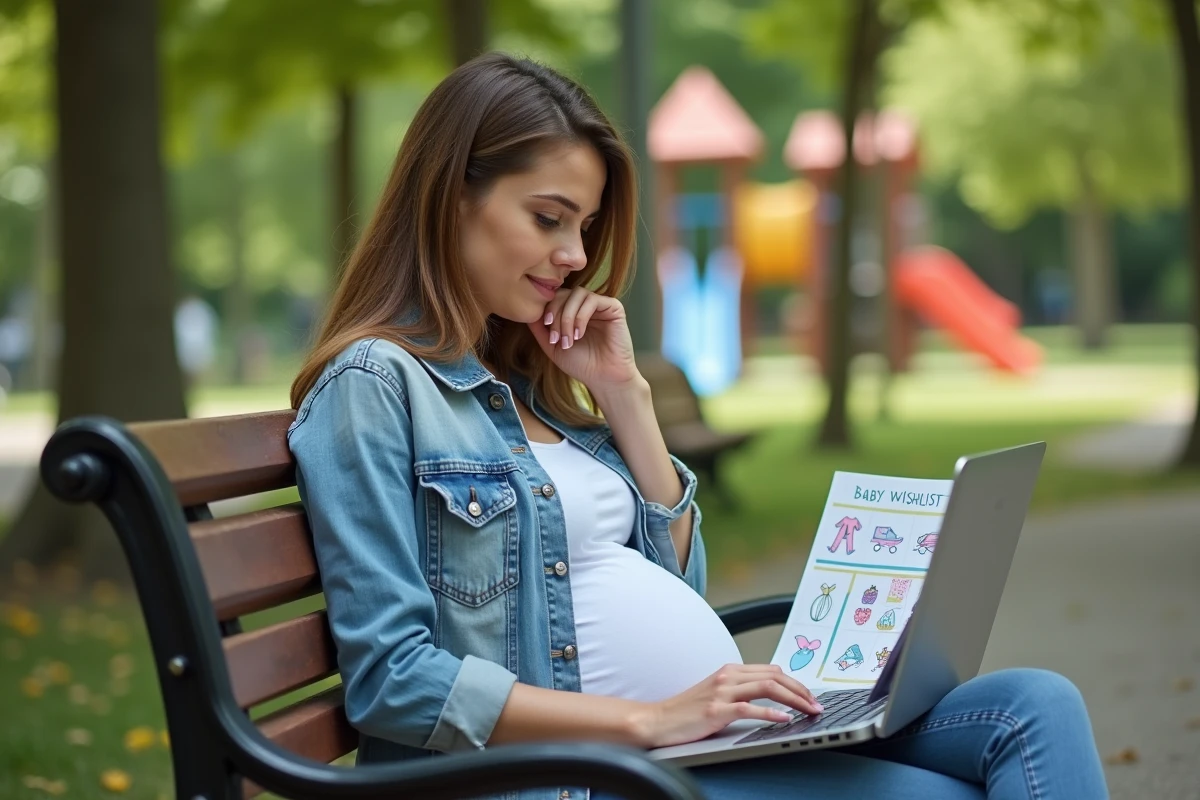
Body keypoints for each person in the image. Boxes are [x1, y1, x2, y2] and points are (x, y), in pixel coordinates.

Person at [287, 53, 1108, 800]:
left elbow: (683, 593)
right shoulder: (375, 384)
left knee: (1035, 705)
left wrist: (626, 397)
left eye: (583, 226)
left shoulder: (532, 392)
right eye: (548, 218)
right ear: (451, 196)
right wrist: (651, 721)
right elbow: (394, 679)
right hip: (578, 776)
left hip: (706, 743)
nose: (576, 254)